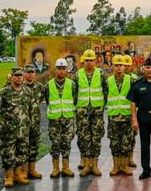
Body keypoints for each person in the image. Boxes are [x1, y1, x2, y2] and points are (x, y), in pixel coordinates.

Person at [76, 49, 108, 177]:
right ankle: (86, 165)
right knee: (84, 137)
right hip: (82, 111)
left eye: (91, 60)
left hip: (97, 111)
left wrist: (101, 105)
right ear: (83, 61)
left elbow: (106, 90)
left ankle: (94, 165)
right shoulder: (77, 75)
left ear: (95, 61)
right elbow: (74, 92)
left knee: (96, 137)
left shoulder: (101, 74)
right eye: (87, 60)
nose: (89, 62)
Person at [44, 58, 78, 178]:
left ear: (66, 70)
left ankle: (65, 167)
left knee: (66, 143)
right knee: (55, 143)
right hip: (54, 120)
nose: (61, 71)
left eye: (63, 69)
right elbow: (47, 100)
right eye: (59, 69)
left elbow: (75, 99)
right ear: (56, 70)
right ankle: (55, 168)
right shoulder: (49, 85)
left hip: (68, 119)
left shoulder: (72, 84)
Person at [0, 67, 29, 187]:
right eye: (16, 75)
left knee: (21, 152)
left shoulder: (27, 91)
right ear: (11, 77)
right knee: (8, 153)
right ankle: (8, 177)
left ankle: (18, 175)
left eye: (20, 75)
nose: (18, 77)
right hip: (8, 130)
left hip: (22, 128)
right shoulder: (4, 92)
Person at [106, 54, 134, 176]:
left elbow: (135, 98)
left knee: (126, 142)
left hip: (127, 117)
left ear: (124, 66)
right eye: (116, 65)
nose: (118, 67)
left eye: (121, 65)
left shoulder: (131, 80)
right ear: (112, 66)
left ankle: (125, 166)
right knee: (114, 143)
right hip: (113, 117)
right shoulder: (108, 81)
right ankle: (116, 166)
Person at [22, 65, 44, 180]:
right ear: (24, 73)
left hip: (35, 122)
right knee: (22, 146)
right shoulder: (19, 87)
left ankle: (32, 169)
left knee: (34, 145)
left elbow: (40, 99)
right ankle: (23, 171)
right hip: (22, 123)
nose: (30, 74)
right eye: (28, 72)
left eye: (32, 72)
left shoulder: (39, 87)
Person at [123, 54, 139, 167]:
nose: (126, 67)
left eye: (128, 65)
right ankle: (122, 160)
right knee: (121, 138)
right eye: (124, 65)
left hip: (133, 113)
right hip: (120, 112)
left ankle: (130, 158)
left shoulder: (135, 79)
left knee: (132, 136)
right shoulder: (117, 78)